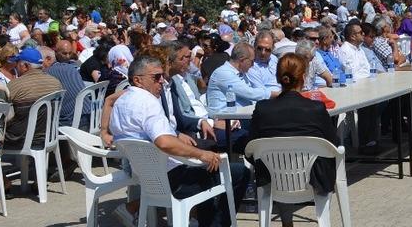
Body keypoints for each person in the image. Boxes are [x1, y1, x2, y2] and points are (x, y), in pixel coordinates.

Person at [110, 55, 248, 227]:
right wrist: (201, 154)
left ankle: (204, 221)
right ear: (137, 80)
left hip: (148, 179)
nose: (161, 81)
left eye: (162, 76)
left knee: (211, 168)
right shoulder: (148, 102)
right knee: (239, 172)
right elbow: (164, 142)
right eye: (156, 77)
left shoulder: (121, 102)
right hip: (173, 180)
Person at [246, 53, 340, 227]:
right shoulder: (316, 109)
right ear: (303, 78)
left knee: (277, 163)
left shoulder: (262, 109)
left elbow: (250, 151)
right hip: (314, 181)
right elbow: (334, 143)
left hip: (273, 180)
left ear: (278, 78)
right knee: (324, 158)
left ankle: (286, 222)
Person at [4, 48, 64, 149]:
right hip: (49, 135)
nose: (15, 68)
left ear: (25, 66)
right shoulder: (56, 82)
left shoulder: (15, 85)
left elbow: (3, 111)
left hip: (21, 138)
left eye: (17, 64)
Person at [45, 40, 89, 128]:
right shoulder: (73, 67)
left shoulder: (50, 71)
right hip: (88, 114)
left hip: (72, 120)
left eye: (70, 53)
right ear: (55, 52)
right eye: (64, 53)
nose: (68, 56)